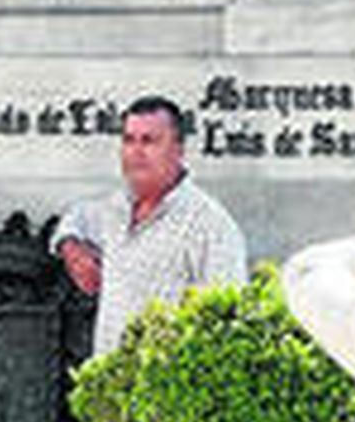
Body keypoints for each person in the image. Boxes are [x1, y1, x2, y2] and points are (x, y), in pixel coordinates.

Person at [54, 94, 248, 355]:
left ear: (178, 150)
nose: (136, 152)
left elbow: (228, 324)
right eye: (129, 140)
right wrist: (73, 251)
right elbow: (74, 219)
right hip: (108, 377)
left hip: (167, 379)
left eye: (149, 141)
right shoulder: (115, 208)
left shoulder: (211, 227)